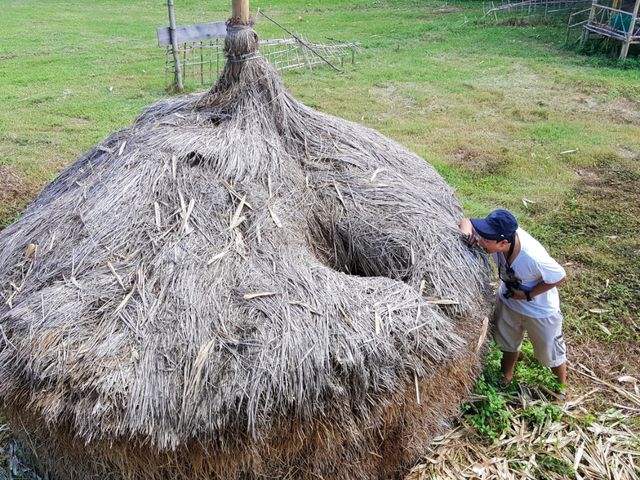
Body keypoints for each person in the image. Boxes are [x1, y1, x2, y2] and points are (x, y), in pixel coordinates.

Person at [459, 209, 568, 393]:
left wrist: (528, 295)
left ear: (503, 243)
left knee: (551, 353)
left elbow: (560, 277)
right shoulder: (494, 237)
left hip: (540, 311)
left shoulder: (533, 257)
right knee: (507, 343)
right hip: (509, 301)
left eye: (486, 240)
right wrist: (466, 234)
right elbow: (466, 221)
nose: (481, 241)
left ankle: (561, 389)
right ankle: (506, 377)